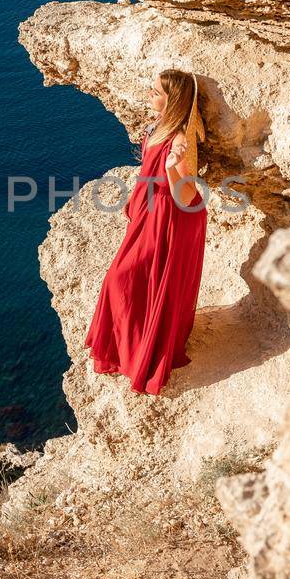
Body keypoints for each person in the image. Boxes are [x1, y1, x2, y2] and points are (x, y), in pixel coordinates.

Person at [84, 69, 209, 395]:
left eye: (155, 92)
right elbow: (146, 169)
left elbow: (186, 196)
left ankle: (143, 353)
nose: (148, 95)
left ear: (173, 100)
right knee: (130, 279)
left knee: (124, 278)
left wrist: (170, 167)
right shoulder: (158, 128)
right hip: (148, 211)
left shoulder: (181, 140)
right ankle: (129, 349)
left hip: (168, 218)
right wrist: (135, 195)